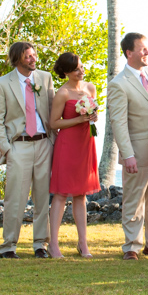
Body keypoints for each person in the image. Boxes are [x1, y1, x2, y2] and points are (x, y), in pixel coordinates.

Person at [0, 42, 56, 259]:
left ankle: (40, 245)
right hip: (18, 145)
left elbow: (53, 111)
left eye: (34, 55)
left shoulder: (45, 78)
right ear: (17, 58)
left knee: (42, 196)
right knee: (14, 198)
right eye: (28, 56)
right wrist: (6, 149)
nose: (33, 59)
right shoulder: (2, 83)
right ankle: (8, 245)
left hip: (44, 143)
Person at [106, 33, 148, 261]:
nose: (147, 53)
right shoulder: (118, 84)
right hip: (136, 153)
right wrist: (127, 154)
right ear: (128, 53)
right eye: (142, 49)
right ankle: (131, 245)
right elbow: (119, 123)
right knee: (133, 200)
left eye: (147, 49)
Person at [47, 52, 100, 259]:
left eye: (82, 66)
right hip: (68, 144)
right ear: (67, 72)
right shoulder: (62, 93)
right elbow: (54, 123)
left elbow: (91, 113)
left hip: (86, 142)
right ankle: (53, 244)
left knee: (81, 194)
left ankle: (83, 244)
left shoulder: (90, 88)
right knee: (61, 194)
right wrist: (79, 120)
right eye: (77, 68)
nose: (81, 70)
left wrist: (92, 116)